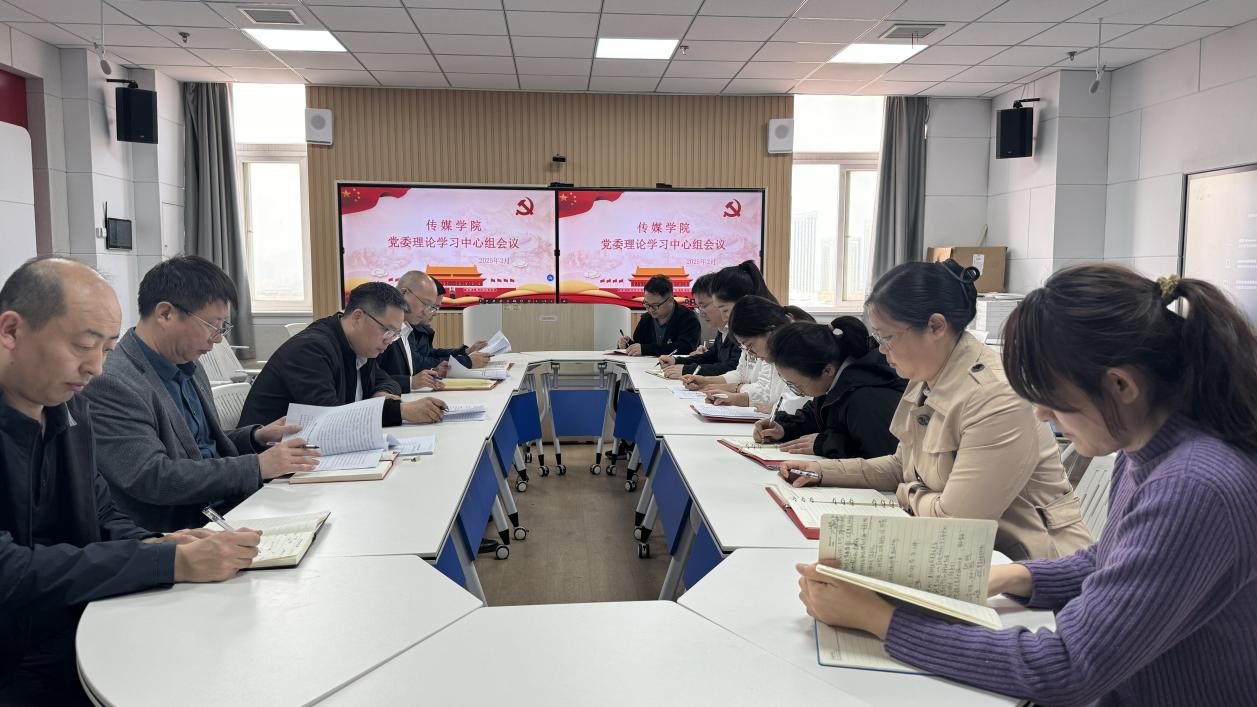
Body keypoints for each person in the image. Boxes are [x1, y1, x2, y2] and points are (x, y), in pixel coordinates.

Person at [795, 264, 1257, 704]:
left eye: (1052, 399)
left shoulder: (1193, 484)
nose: (1041, 415)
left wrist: (878, 619)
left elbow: (1066, 668)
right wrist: (1008, 577)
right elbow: (1110, 557)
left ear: (1120, 385)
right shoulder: (1147, 448)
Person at [0, 257, 265, 704]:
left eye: (106, 349)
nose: (96, 368)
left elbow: (100, 510)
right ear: (11, 331)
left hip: (73, 622)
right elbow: (8, 571)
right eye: (84, 345)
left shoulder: (68, 405)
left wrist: (159, 542)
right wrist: (164, 562)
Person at [779, 260, 1092, 561]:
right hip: (963, 553)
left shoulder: (995, 396)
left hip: (1030, 565)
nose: (882, 350)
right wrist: (823, 471)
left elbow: (955, 522)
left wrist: (908, 492)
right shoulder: (926, 375)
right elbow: (902, 465)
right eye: (878, 337)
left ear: (935, 326)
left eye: (888, 337)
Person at [83, 257, 320, 533]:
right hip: (184, 528)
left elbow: (195, 446)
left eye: (222, 328)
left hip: (230, 506)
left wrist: (256, 437)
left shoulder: (188, 364)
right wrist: (256, 466)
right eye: (212, 325)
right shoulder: (113, 382)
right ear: (165, 314)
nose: (218, 339)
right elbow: (153, 477)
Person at [239, 282, 446, 428]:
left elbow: (386, 380)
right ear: (357, 317)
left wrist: (381, 394)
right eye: (388, 331)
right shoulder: (312, 349)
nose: (389, 341)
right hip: (271, 464)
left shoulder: (361, 346)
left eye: (395, 334)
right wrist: (401, 411)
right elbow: (330, 419)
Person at [753, 316, 904, 460]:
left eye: (797, 385)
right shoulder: (835, 382)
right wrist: (784, 428)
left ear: (827, 370)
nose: (798, 391)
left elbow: (884, 459)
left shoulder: (866, 398)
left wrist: (825, 444)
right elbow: (816, 417)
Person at [379, 271, 490, 393]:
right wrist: (411, 382)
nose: (427, 312)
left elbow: (414, 367)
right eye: (425, 304)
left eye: (431, 307)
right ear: (403, 293)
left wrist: (434, 371)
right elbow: (372, 380)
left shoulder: (407, 329)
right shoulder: (383, 329)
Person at [680, 261, 777, 392]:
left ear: (744, 301)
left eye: (725, 310)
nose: (725, 318)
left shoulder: (768, 332)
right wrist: (707, 381)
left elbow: (766, 391)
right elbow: (741, 373)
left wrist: (734, 391)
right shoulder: (747, 330)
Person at [701, 296, 810, 412]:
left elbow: (795, 407)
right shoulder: (773, 354)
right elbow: (769, 396)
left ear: (771, 332)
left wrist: (776, 410)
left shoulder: (798, 352)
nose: (751, 354)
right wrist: (734, 398)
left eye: (750, 345)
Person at [658, 273, 740, 378]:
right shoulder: (723, 329)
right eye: (698, 307)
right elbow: (712, 356)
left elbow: (733, 368)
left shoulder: (739, 330)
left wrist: (687, 370)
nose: (701, 314)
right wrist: (676, 361)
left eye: (704, 306)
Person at [616, 274, 701, 357]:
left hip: (677, 366)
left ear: (670, 300)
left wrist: (647, 349)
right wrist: (628, 344)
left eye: (655, 306)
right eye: (647, 304)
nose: (650, 310)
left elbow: (685, 348)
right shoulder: (646, 319)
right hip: (645, 365)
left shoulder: (688, 318)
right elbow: (640, 345)